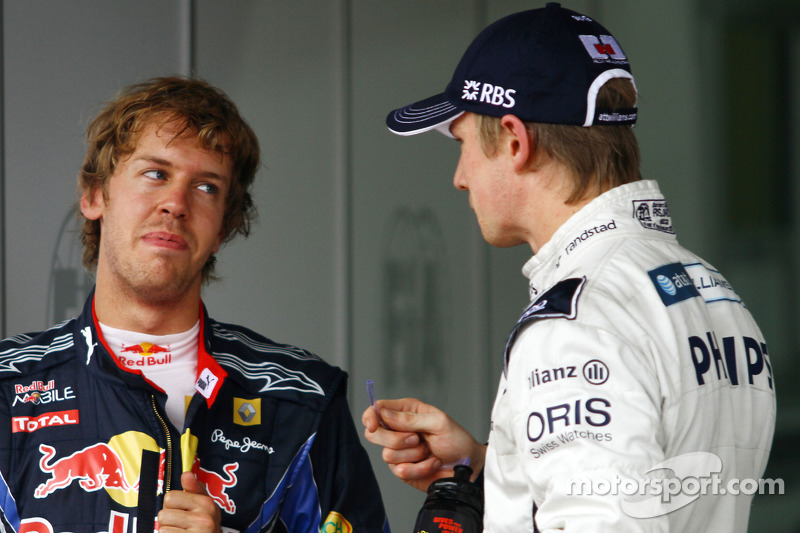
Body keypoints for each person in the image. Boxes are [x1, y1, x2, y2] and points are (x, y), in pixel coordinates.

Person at [363, 3, 776, 532]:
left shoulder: (575, 322)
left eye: (463, 144)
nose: (460, 178)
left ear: (516, 141)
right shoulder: (708, 288)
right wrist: (493, 466)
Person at [0, 77, 390, 533]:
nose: (176, 204)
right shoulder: (8, 390)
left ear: (223, 227)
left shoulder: (300, 400)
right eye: (155, 174)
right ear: (94, 196)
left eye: (206, 187)